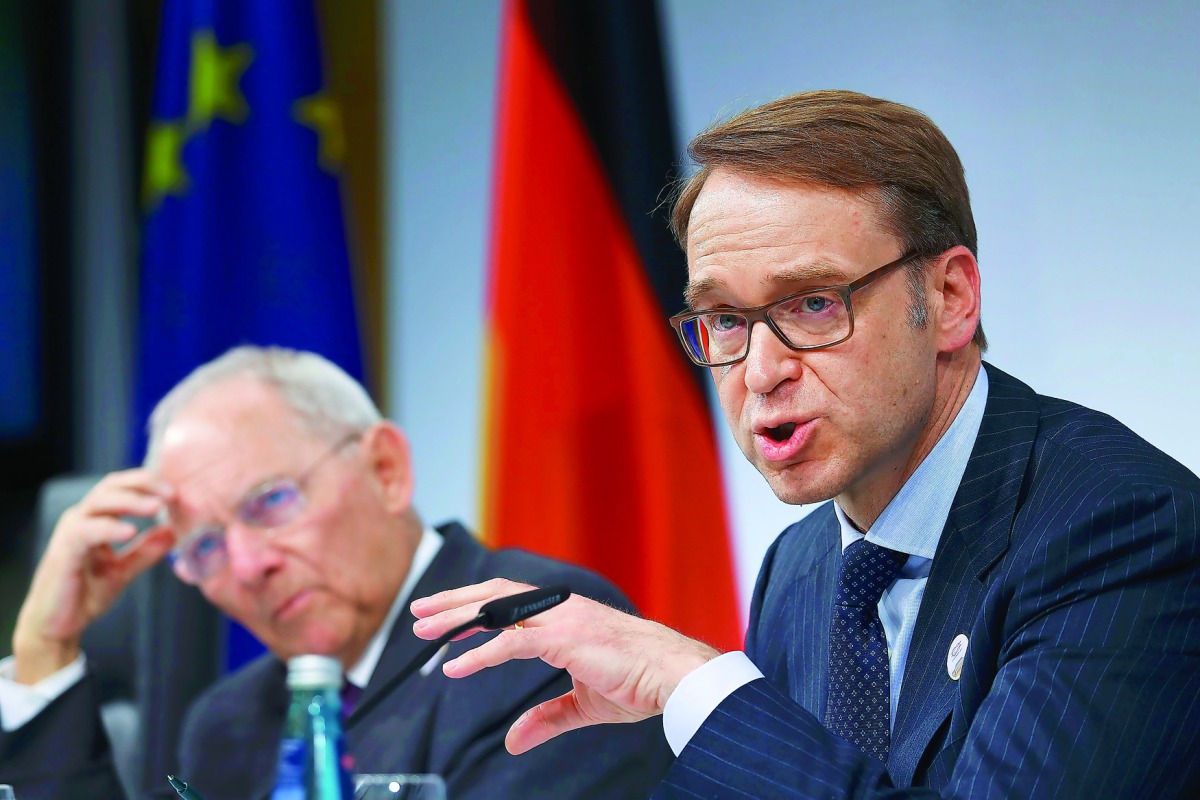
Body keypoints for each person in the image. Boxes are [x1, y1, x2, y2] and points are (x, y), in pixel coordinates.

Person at [411, 90, 1200, 798]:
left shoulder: (1120, 529)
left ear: (950, 298)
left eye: (815, 304)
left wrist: (693, 683)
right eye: (724, 319)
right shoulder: (805, 566)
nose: (760, 371)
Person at [0, 346, 673, 799]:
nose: (248, 564)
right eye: (204, 546)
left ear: (384, 470)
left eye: (269, 502)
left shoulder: (535, 637)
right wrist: (44, 649)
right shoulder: (227, 725)